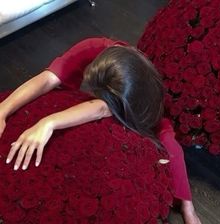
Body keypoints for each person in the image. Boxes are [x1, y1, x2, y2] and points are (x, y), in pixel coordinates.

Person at [0, 37, 201, 224]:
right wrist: (3, 111)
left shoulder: (146, 103)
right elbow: (48, 78)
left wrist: (188, 207)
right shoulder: (95, 48)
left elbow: (102, 109)